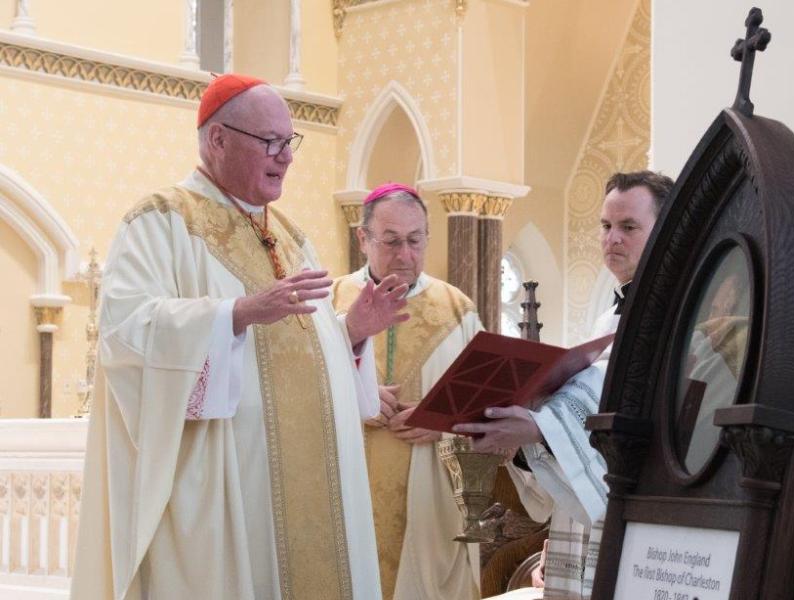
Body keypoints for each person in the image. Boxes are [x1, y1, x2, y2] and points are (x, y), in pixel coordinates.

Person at [71, 74, 408, 600]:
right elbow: (126, 336)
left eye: (289, 142)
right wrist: (234, 314)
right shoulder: (160, 222)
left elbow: (301, 358)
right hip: (226, 495)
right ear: (218, 139)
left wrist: (353, 335)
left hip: (316, 492)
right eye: (270, 142)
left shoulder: (292, 237)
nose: (286, 156)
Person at [454, 171, 674, 600]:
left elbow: (617, 391)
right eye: (606, 226)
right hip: (597, 517)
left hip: (641, 510)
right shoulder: (612, 313)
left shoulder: (667, 312)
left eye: (628, 227)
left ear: (663, 232)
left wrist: (538, 427)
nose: (612, 238)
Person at [330, 183, 483, 599]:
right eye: (391, 241)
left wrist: (443, 422)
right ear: (363, 239)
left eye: (415, 241)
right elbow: (296, 395)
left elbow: (490, 405)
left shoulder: (458, 310)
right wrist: (352, 397)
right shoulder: (330, 303)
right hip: (346, 496)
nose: (405, 254)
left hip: (432, 502)